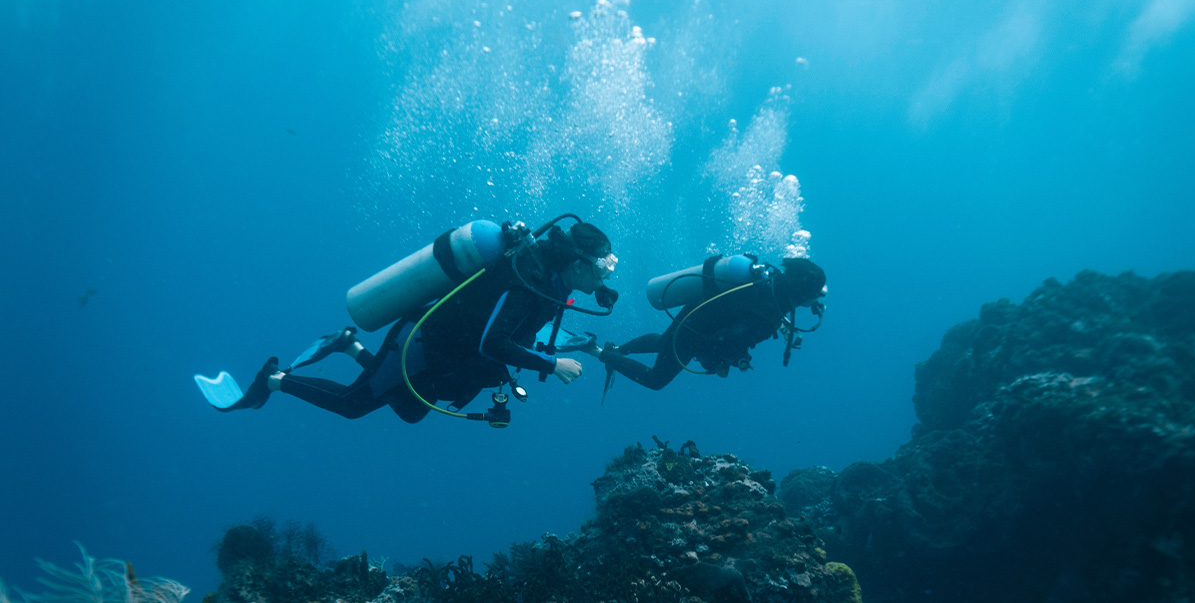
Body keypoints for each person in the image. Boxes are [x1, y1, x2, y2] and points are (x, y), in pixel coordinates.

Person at [218, 221, 617, 424]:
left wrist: (576, 345)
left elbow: (518, 331)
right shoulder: (528, 282)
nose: (605, 277)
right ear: (578, 264)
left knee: (410, 412)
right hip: (421, 347)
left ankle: (348, 344)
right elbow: (492, 343)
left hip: (445, 357)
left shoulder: (549, 284)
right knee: (352, 405)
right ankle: (273, 378)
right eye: (603, 267)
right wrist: (552, 365)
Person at [562, 257, 825, 393]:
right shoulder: (770, 312)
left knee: (663, 342)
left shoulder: (767, 280)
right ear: (801, 292)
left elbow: (735, 321)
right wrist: (725, 360)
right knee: (656, 380)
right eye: (816, 293)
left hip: (694, 312)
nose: (818, 299)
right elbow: (722, 340)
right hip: (695, 332)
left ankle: (617, 350)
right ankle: (596, 350)